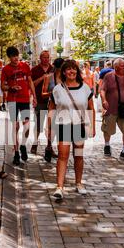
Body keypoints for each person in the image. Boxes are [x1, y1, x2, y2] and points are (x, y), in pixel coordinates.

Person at [47, 60, 95, 200]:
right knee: (63, 156)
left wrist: (92, 126)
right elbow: (51, 108)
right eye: (68, 69)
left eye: (74, 69)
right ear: (63, 72)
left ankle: (79, 183)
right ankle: (59, 187)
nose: (71, 71)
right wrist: (49, 127)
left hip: (79, 125)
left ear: (77, 71)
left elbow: (90, 108)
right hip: (63, 125)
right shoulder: (58, 89)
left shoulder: (85, 88)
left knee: (78, 156)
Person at [1, 46, 37, 166]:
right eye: (13, 56)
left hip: (25, 99)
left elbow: (30, 81)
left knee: (26, 126)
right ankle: (16, 152)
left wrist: (34, 96)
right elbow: (3, 86)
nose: (15, 58)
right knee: (15, 126)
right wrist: (11, 87)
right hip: (12, 100)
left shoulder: (25, 66)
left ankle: (23, 146)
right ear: (9, 57)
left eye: (16, 55)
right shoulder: (5, 69)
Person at [100, 58, 124, 161]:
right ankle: (107, 145)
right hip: (111, 108)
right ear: (115, 67)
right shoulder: (108, 76)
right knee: (108, 129)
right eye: (122, 65)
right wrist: (104, 100)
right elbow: (102, 90)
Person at [31, 50, 54, 156]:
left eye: (47, 57)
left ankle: (49, 147)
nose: (46, 59)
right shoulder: (35, 70)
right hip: (40, 101)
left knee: (51, 126)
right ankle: (34, 144)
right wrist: (42, 78)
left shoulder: (53, 69)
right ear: (40, 58)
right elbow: (32, 85)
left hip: (52, 102)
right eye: (44, 57)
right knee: (39, 124)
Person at [42, 57, 64, 162]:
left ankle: (61, 150)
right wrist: (53, 93)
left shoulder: (67, 78)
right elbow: (43, 93)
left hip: (64, 108)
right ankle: (49, 148)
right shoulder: (49, 77)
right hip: (52, 106)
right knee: (51, 129)